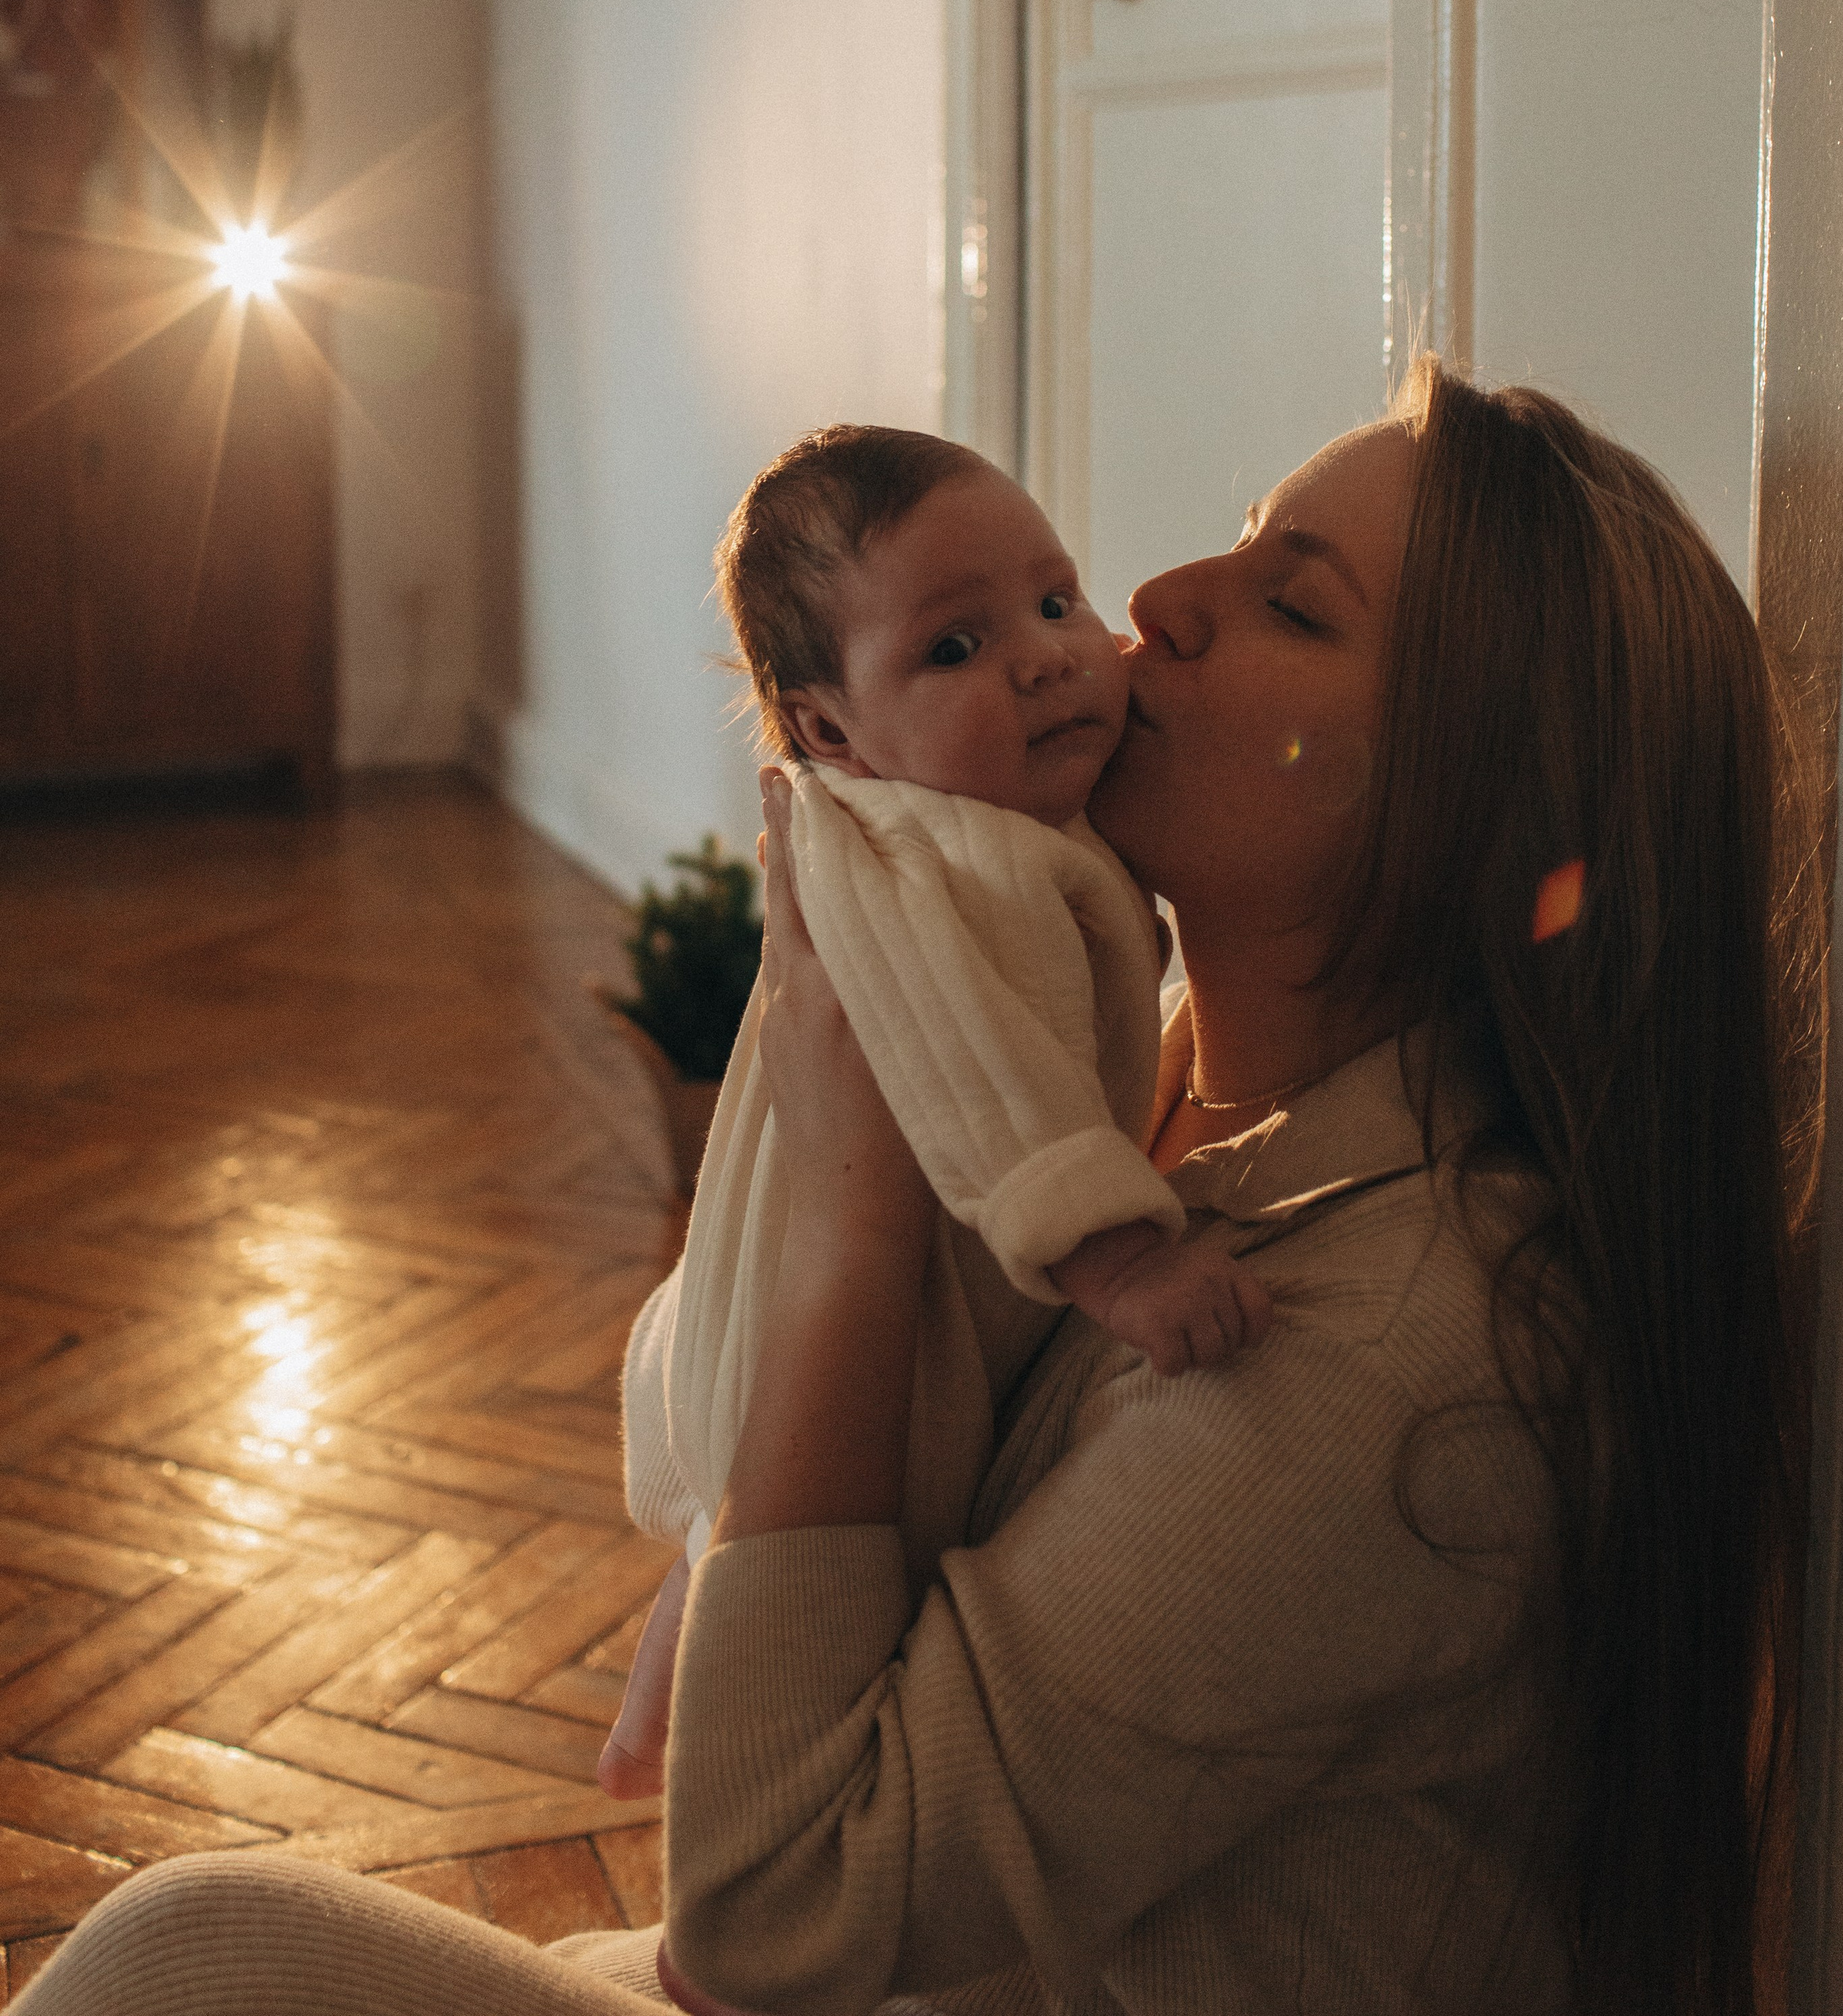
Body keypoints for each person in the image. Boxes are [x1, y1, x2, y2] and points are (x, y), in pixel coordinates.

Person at [16, 361, 1818, 2016]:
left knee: (191, 1955)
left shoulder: (1397, 1360)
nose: (1160, 601)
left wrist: (857, 1213)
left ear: (1469, 801)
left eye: (1291, 603)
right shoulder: (1179, 1070)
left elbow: (768, 1918)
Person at [605, 426, 1271, 1800]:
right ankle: (736, 1873)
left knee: (730, 1548)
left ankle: (651, 1733)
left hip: (875, 1287)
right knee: (848, 1569)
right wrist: (1115, 1253)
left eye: (1053, 601)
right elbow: (969, 1060)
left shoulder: (1004, 825)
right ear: (831, 729)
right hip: (860, 1315)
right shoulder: (924, 863)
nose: (1043, 656)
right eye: (953, 651)